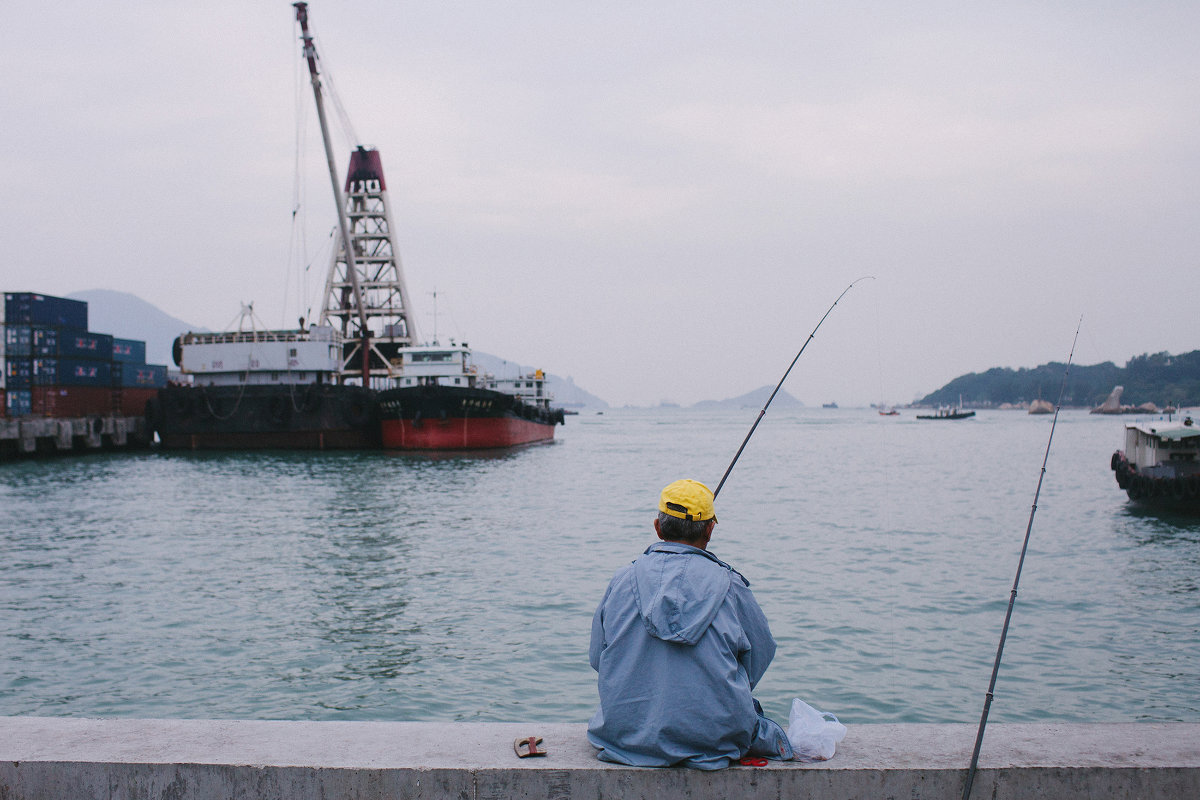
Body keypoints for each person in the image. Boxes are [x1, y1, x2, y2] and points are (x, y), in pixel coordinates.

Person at [587, 478, 794, 769]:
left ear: (658, 527)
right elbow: (759, 657)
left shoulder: (621, 581)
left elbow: (598, 658)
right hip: (715, 741)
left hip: (623, 738)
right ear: (710, 529)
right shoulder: (732, 586)